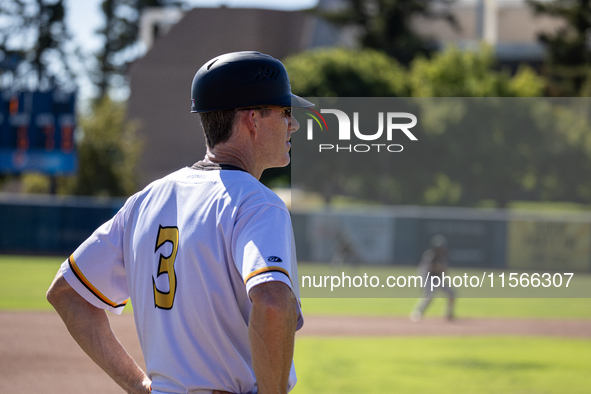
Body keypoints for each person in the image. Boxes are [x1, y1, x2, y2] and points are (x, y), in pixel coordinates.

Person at [46, 51, 313, 394]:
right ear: (252, 120)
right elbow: (273, 302)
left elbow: (67, 293)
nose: (294, 124)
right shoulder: (258, 204)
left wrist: (139, 386)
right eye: (285, 111)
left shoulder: (145, 200)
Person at [410, 234, 455, 322]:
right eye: (439, 248)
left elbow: (443, 271)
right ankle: (417, 312)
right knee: (429, 296)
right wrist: (424, 285)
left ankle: (449, 314)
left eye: (442, 248)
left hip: (438, 278)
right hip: (428, 277)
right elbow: (424, 271)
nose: (441, 249)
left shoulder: (443, 257)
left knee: (451, 294)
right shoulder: (429, 256)